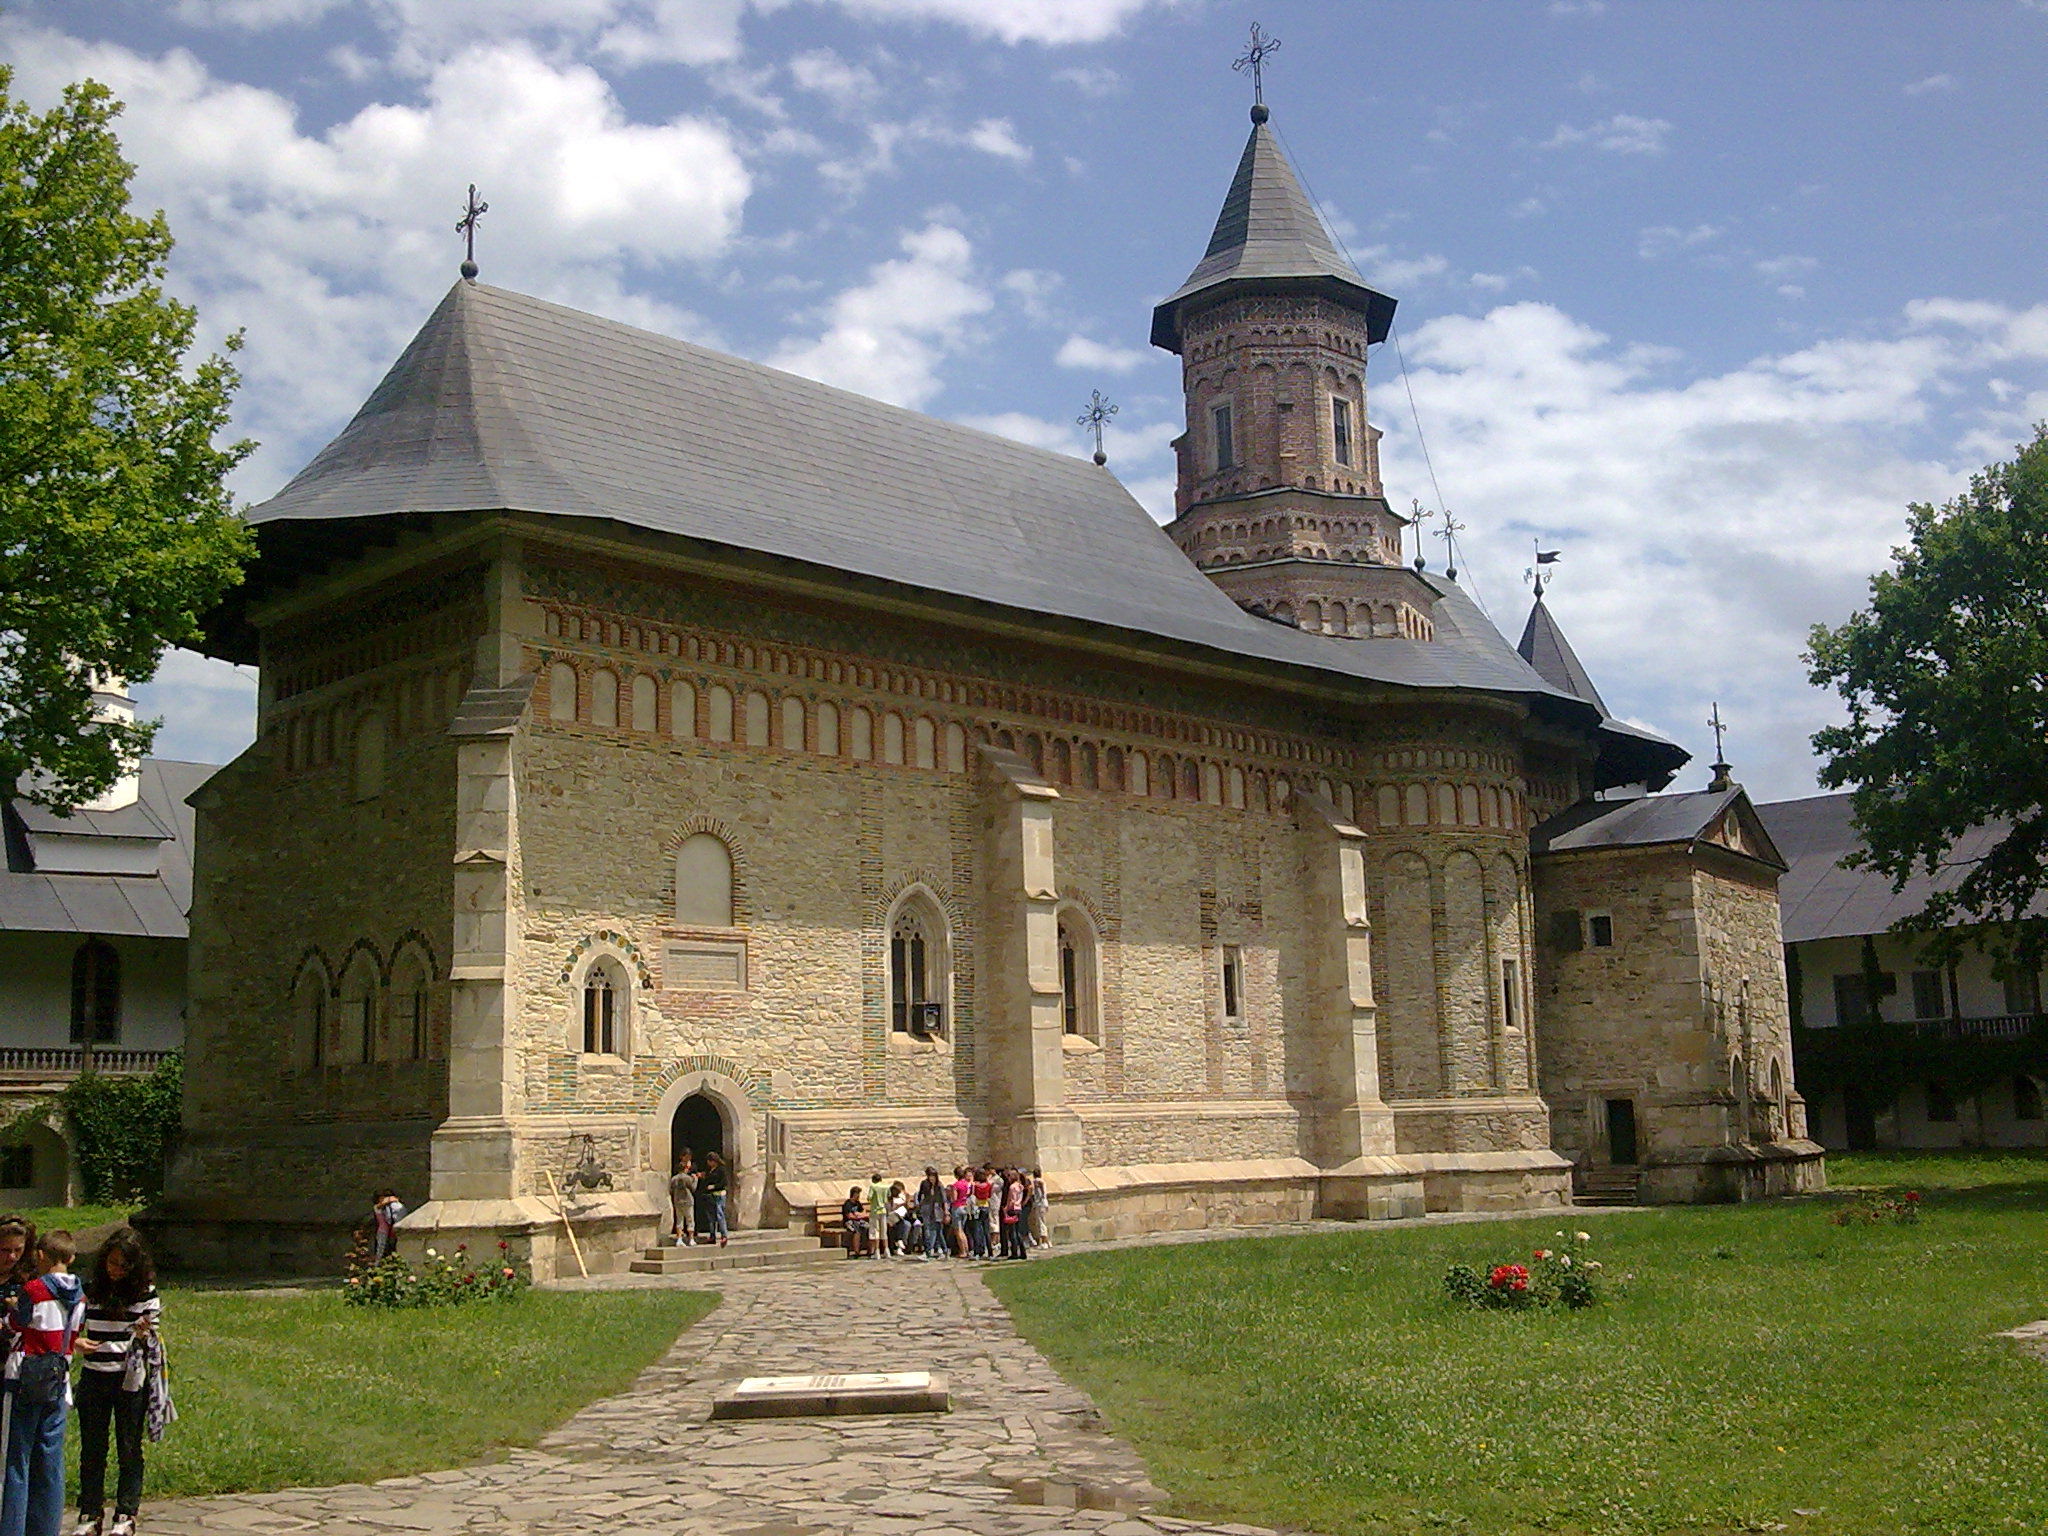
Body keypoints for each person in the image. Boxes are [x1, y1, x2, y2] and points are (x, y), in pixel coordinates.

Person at [74, 1229, 161, 1536]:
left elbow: (152, 1336)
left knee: (128, 1448)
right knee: (92, 1448)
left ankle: (126, 1513)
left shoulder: (146, 1293)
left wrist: (143, 1335)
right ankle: (89, 1512)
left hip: (129, 1383)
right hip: (94, 1377)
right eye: (112, 1263)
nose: (116, 1271)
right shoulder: (91, 1290)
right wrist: (76, 1343)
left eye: (124, 1266)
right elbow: (72, 1326)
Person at [2, 1229, 84, 1536]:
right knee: (50, 1460)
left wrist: (11, 1310)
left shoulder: (34, 1290)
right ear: (71, 1257)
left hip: (24, 1378)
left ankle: (11, 1527)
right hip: (58, 1382)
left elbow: (16, 1325)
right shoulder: (80, 1296)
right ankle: (46, 1528)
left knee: (17, 1459)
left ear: (39, 1256)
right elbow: (73, 1335)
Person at [0, 1218, 35, 1472]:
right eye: (4, 1250)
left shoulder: (27, 1282)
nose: (11, 1257)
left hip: (13, 1367)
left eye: (18, 1250)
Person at [915, 1169, 948, 1260]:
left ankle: (930, 1251)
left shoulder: (939, 1185)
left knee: (936, 1230)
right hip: (927, 1209)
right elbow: (919, 1196)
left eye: (933, 1176)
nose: (931, 1178)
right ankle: (940, 1250)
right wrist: (920, 1206)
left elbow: (944, 1199)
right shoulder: (925, 1184)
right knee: (932, 1230)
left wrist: (946, 1212)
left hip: (937, 1210)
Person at [699, 1152, 729, 1247]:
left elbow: (724, 1182)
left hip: (719, 1194)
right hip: (710, 1195)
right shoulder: (709, 1171)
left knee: (720, 1214)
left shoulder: (721, 1170)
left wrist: (714, 1186)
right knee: (711, 1216)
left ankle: (724, 1235)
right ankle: (712, 1235)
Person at [667, 1153, 697, 1248]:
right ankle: (691, 1239)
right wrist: (695, 1179)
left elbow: (671, 1190)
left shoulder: (673, 1179)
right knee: (690, 1219)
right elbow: (693, 1188)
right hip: (687, 1201)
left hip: (677, 1201)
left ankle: (679, 1238)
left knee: (679, 1220)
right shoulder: (687, 1178)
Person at [1000, 1168, 1028, 1260]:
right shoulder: (1020, 1186)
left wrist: (1006, 1208)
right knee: (1018, 1231)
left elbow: (1011, 1200)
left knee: (1012, 1233)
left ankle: (1014, 1252)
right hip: (1019, 1208)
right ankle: (1023, 1251)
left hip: (1012, 1209)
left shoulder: (1012, 1187)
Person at [369, 1190, 405, 1260]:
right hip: (382, 1230)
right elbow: (383, 1204)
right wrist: (390, 1199)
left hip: (387, 1229)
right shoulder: (377, 1207)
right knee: (381, 1247)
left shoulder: (386, 1207)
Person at [948, 1167, 972, 1259]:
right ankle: (967, 1249)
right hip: (965, 1206)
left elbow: (954, 1198)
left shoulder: (955, 1185)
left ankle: (963, 1251)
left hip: (957, 1207)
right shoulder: (967, 1184)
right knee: (963, 1230)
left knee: (958, 1231)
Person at [866, 1173, 890, 1261]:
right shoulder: (886, 1187)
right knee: (884, 1231)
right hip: (883, 1210)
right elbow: (888, 1197)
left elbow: (869, 1197)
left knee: (875, 1231)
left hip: (875, 1210)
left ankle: (877, 1251)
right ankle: (887, 1250)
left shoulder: (873, 1187)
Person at [840, 1186, 869, 1257]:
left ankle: (870, 1250)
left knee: (869, 1228)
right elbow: (849, 1216)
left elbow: (864, 1211)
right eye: (857, 1194)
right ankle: (856, 1251)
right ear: (854, 1194)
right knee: (856, 1231)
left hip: (859, 1220)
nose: (859, 1196)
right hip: (849, 1222)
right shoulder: (847, 1204)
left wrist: (859, 1215)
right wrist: (858, 1216)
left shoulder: (858, 1203)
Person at [886, 1182, 913, 1256]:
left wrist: (906, 1202)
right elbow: (889, 1211)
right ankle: (898, 1243)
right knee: (897, 1222)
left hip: (900, 1218)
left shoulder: (900, 1198)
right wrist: (897, 1206)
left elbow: (907, 1210)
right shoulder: (888, 1200)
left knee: (905, 1224)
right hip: (890, 1218)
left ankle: (900, 1245)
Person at [1028, 1167, 1050, 1249]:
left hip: (1039, 1203)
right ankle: (1047, 1241)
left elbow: (1039, 1192)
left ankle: (1043, 1242)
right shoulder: (1042, 1181)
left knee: (1040, 1223)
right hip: (1044, 1203)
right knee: (1043, 1222)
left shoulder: (1037, 1181)